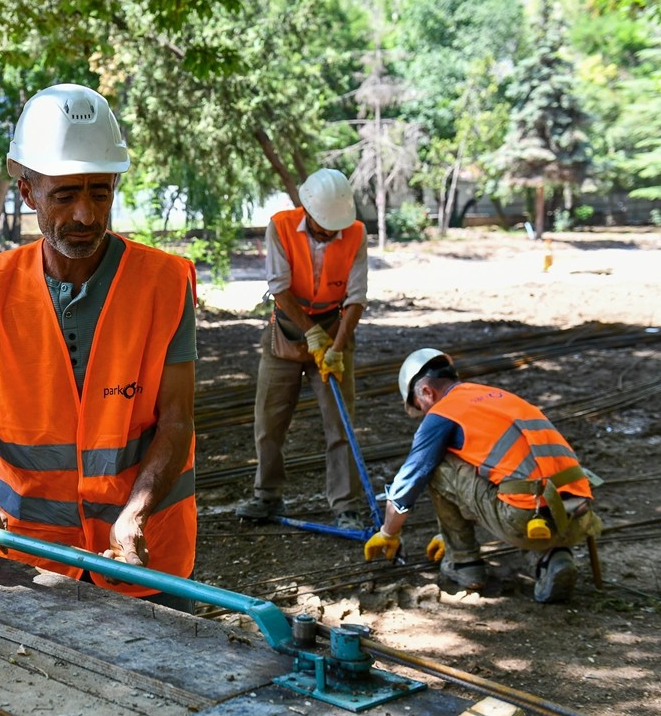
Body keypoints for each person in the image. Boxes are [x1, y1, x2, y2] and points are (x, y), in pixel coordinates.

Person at [0, 83, 199, 613]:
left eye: (100, 193)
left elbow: (176, 419)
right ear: (27, 191)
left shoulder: (165, 283)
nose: (85, 215)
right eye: (65, 195)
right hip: (29, 559)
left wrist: (135, 514)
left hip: (144, 556)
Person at [363, 348, 603, 603]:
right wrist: (447, 533)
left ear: (426, 392)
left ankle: (463, 563)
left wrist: (389, 532)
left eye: (420, 407)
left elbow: (410, 479)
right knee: (518, 480)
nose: (424, 414)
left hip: (525, 520)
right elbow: (500, 466)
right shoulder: (497, 398)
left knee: (436, 465)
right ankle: (554, 557)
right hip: (578, 516)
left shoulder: (444, 412)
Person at [236, 168, 370, 529]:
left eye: (334, 228)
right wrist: (311, 334)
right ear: (308, 210)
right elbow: (279, 288)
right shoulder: (280, 226)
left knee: (340, 424)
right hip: (286, 330)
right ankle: (267, 495)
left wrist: (336, 347)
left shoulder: (356, 233)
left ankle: (345, 506)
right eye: (324, 226)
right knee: (269, 421)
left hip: (334, 328)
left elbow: (356, 297)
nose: (330, 233)